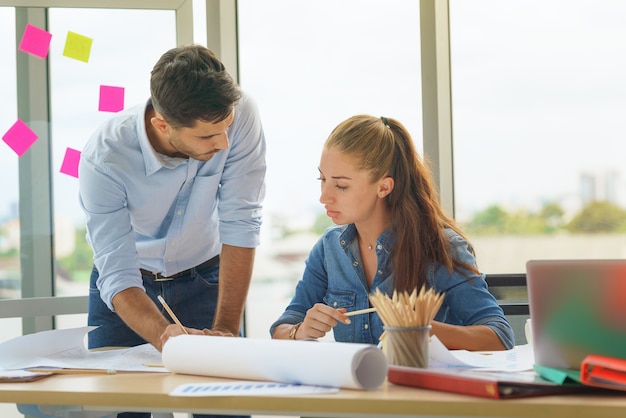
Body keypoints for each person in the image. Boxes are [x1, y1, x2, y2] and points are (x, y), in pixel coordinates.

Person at [78, 44, 266, 418]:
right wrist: (165, 336)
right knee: (119, 408)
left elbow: (241, 221)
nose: (223, 143)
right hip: (129, 291)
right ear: (162, 125)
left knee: (226, 409)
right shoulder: (104, 159)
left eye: (225, 129)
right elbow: (117, 272)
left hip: (207, 276)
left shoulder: (238, 114)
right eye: (207, 137)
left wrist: (227, 331)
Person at [270, 114, 514, 351]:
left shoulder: (442, 247)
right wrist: (299, 330)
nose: (324, 196)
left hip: (419, 391)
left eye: (341, 185)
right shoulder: (328, 248)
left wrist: (425, 331)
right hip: (356, 389)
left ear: (384, 187)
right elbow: (282, 327)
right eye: (322, 179)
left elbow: (499, 336)